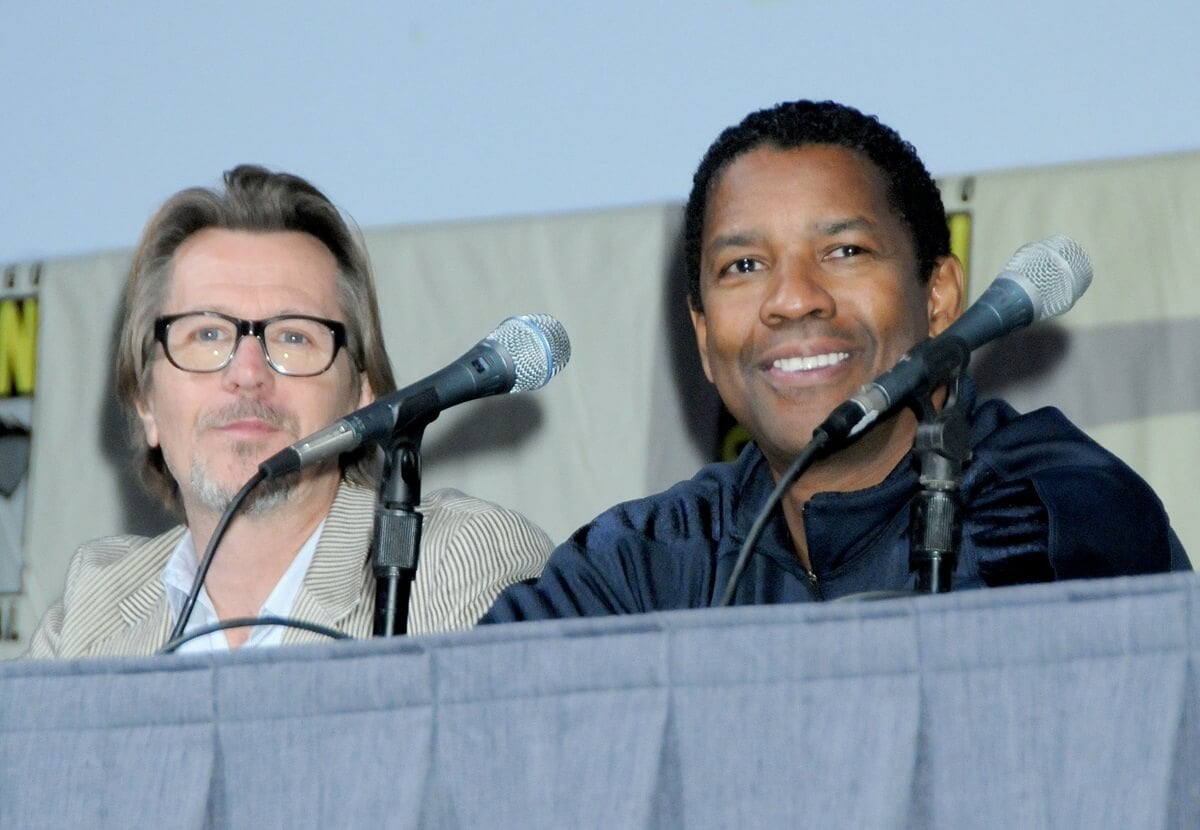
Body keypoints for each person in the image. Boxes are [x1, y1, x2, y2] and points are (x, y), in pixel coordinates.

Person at [483, 99, 1189, 622]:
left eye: (844, 252)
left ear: (939, 296)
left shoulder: (1049, 510)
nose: (793, 300)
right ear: (703, 338)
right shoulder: (645, 561)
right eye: (744, 265)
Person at [26, 165, 553, 657]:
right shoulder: (91, 607)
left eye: (294, 336)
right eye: (207, 334)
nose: (248, 372)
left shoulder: (456, 561)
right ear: (146, 405)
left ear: (363, 395)